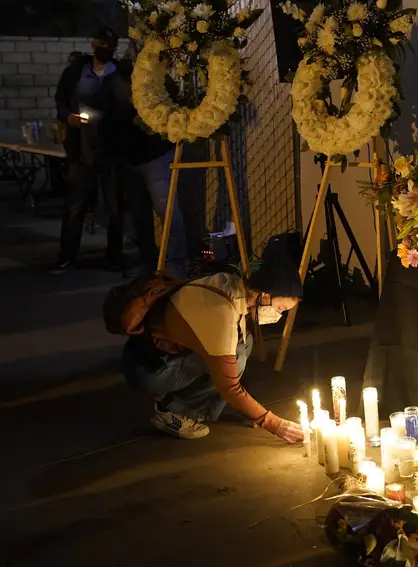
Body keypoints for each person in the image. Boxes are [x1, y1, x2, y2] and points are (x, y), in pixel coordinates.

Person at [121, 238, 305, 442]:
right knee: (234, 356)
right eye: (281, 308)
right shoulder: (222, 313)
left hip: (157, 356)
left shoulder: (233, 286)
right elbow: (230, 387)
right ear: (265, 294)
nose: (279, 315)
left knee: (245, 343)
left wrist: (251, 410)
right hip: (148, 368)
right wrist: (272, 423)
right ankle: (170, 412)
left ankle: (185, 403)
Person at [101, 58, 186, 277]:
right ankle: (148, 258)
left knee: (166, 211)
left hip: (154, 155)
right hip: (131, 158)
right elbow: (107, 121)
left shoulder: (154, 86)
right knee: (140, 214)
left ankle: (176, 263)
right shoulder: (112, 89)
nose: (121, 89)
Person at [52, 27, 125, 274]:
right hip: (81, 146)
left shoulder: (120, 72)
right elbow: (60, 98)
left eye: (110, 46)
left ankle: (114, 258)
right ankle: (67, 257)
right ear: (94, 44)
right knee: (75, 205)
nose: (106, 49)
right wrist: (67, 117)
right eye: (102, 44)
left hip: (111, 147)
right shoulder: (76, 72)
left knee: (115, 206)